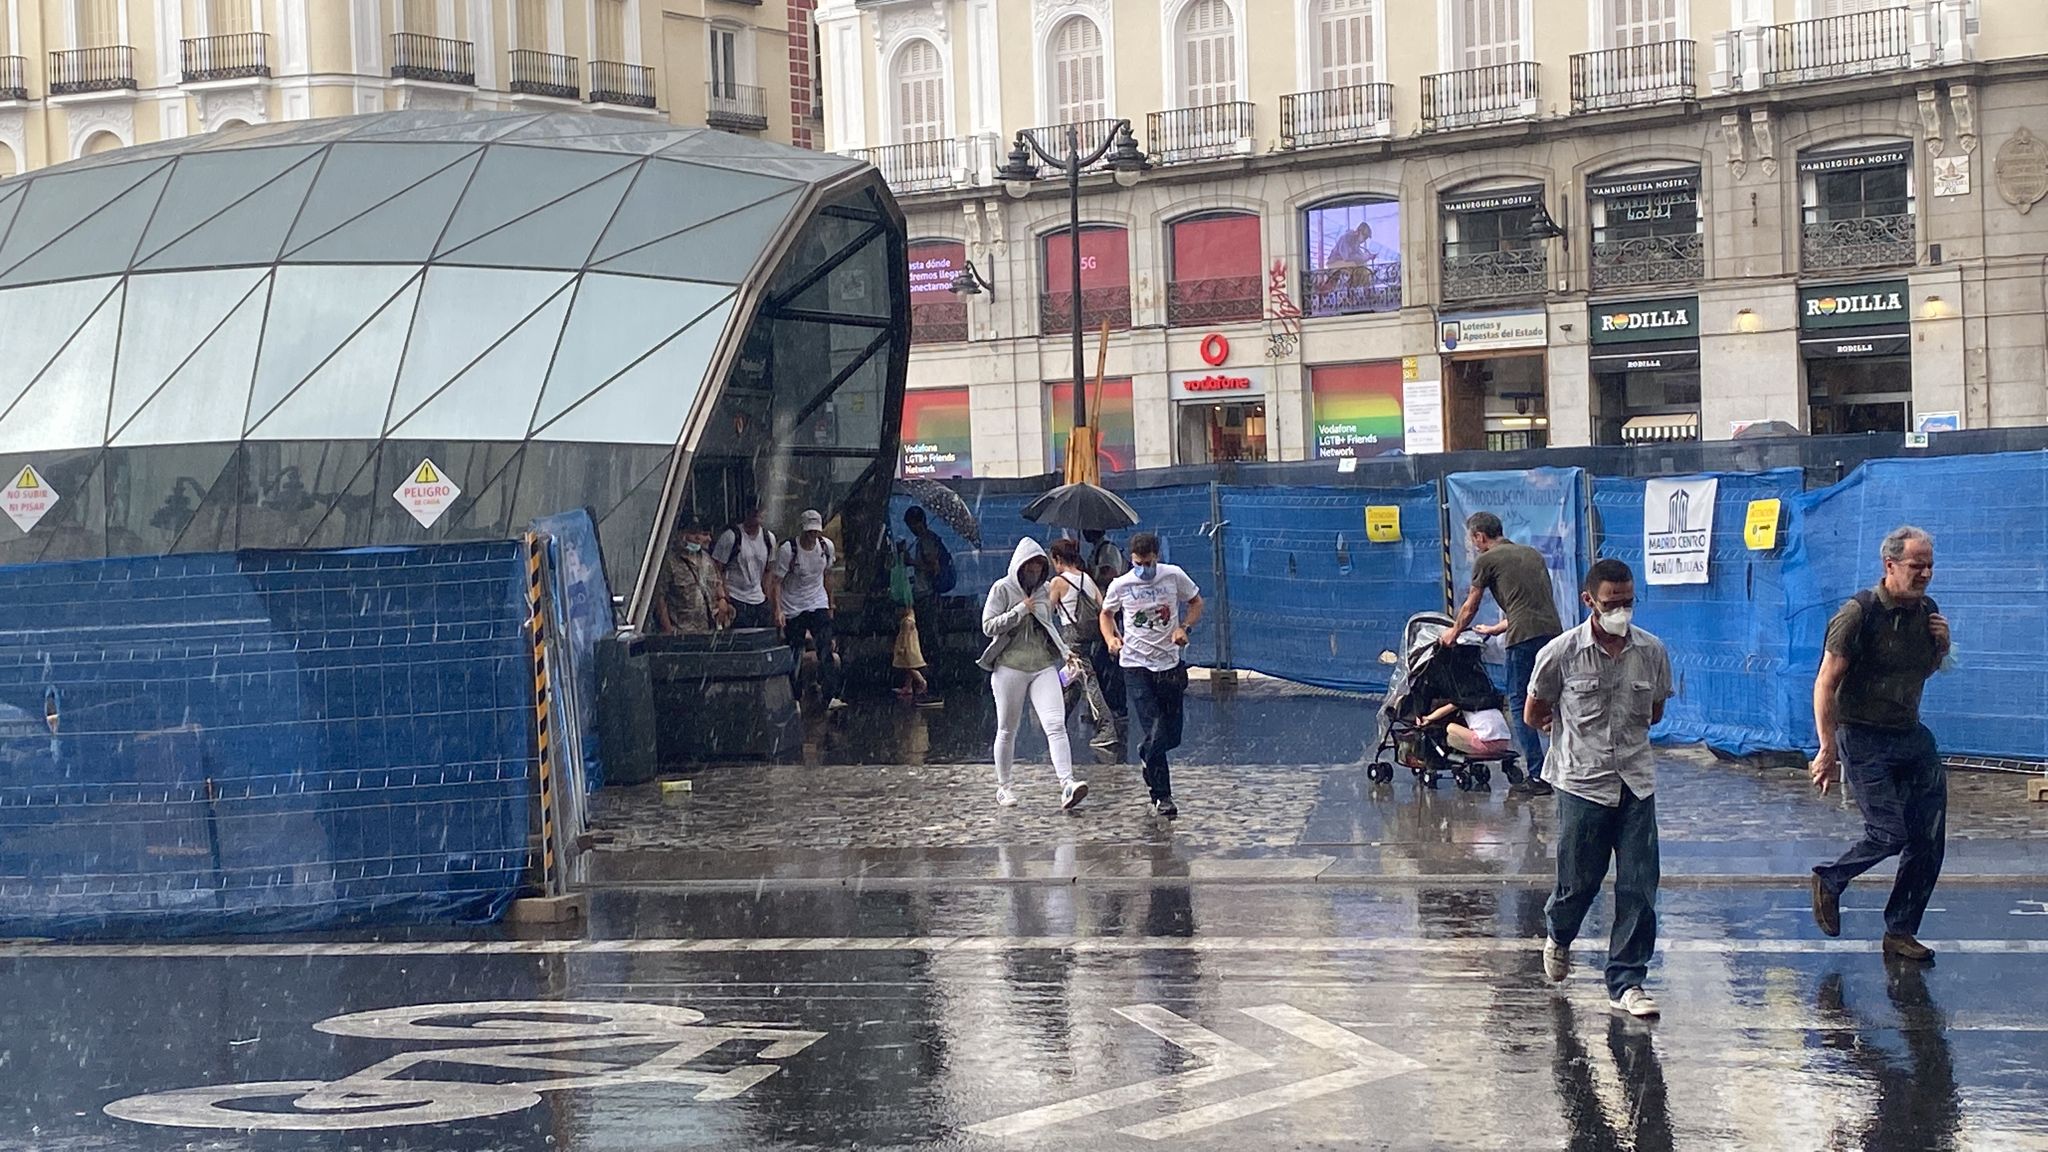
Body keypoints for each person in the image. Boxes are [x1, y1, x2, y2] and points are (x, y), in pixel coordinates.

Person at [1526, 557, 1673, 1020]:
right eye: (1613, 603)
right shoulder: (1561, 653)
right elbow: (1534, 711)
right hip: (1581, 781)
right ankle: (1559, 932)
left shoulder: (1651, 651)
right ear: (1590, 601)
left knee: (1639, 885)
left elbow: (1654, 713)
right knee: (1579, 883)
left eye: (1629, 602)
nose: (1622, 611)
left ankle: (1627, 980)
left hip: (1635, 781)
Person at [1809, 525, 1952, 964]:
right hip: (1862, 734)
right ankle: (1830, 879)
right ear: (1890, 565)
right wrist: (1827, 748)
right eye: (1916, 565)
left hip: (1909, 733)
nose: (1925, 573)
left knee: (1929, 837)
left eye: (1929, 565)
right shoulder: (1858, 613)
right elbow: (1826, 682)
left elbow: (1917, 672)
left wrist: (1942, 647)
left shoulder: (1927, 610)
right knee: (1889, 832)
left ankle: (1901, 931)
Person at [1443, 511, 1566, 796]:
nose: (1472, 545)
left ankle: (1537, 776)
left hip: (1522, 638)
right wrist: (1499, 627)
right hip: (1552, 634)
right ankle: (1563, 768)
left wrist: (1454, 633)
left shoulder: (1486, 560)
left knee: (1519, 700)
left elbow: (1470, 606)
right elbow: (1529, 602)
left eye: (1472, 539)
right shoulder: (1531, 554)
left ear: (1480, 537)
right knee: (1552, 701)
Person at [979, 539, 1089, 811]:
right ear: (1019, 567)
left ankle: (1067, 783)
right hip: (1010, 666)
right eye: (1030, 568)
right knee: (1007, 728)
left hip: (1041, 664)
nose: (1034, 573)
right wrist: (1018, 611)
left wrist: (1065, 653)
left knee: (1055, 723)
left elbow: (1048, 626)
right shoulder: (1001, 589)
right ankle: (1003, 786)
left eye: (1039, 568)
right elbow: (988, 626)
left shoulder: (1045, 590)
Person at [1100, 533, 1203, 818]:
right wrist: (1111, 639)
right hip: (1135, 665)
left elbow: (1196, 602)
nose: (1142, 569)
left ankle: (1147, 753)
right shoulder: (1121, 584)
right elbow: (1106, 614)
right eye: (1137, 563)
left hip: (1169, 664)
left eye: (1147, 563)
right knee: (1154, 724)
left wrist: (1184, 628)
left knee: (1171, 734)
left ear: (1157, 557)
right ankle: (1162, 795)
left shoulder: (1173, 576)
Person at [1048, 537, 1119, 756]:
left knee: (1088, 680)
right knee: (1073, 682)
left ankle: (1107, 729)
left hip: (1071, 636)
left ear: (1057, 559)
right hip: (1090, 636)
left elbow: (1047, 613)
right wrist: (1115, 634)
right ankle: (1056, 724)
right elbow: (1104, 608)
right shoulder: (1086, 578)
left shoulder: (1058, 582)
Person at [774, 509, 845, 710]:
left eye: (815, 532)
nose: (812, 536)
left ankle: (830, 694)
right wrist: (778, 610)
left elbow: (827, 576)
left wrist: (830, 604)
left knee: (825, 648)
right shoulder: (789, 550)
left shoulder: (825, 547)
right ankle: (794, 696)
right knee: (795, 651)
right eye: (809, 532)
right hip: (793, 605)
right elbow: (777, 582)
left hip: (817, 602)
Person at [654, 517, 733, 635]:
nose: (697, 538)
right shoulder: (669, 562)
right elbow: (660, 598)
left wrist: (722, 600)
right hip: (684, 631)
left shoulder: (706, 559)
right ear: (681, 534)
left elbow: (717, 583)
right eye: (692, 533)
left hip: (710, 629)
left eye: (699, 533)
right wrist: (668, 629)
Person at [713, 503, 777, 631]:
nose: (757, 514)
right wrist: (724, 597)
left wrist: (766, 595)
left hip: (759, 600)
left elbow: (769, 569)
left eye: (760, 510)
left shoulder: (769, 538)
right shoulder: (731, 536)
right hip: (736, 597)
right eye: (753, 511)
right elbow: (716, 569)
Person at [904, 506, 952, 665]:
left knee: (928, 635)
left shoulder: (927, 541)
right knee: (927, 634)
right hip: (926, 595)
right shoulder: (925, 539)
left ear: (917, 523)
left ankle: (933, 668)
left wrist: (911, 562)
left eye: (911, 525)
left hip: (927, 595)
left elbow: (934, 568)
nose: (911, 529)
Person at [1417, 697, 1515, 758]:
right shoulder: (1490, 700)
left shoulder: (1464, 701)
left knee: (1450, 728)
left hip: (1486, 745)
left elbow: (1447, 709)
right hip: (1504, 743)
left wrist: (1428, 718)